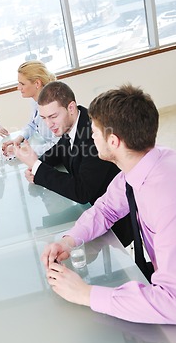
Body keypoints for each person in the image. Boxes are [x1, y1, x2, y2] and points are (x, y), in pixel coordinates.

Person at [41, 84, 176, 324]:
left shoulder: (166, 201)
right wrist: (69, 240)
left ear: (113, 141)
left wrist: (86, 294)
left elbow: (171, 303)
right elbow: (106, 209)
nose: (90, 136)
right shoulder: (139, 166)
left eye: (94, 131)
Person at [14, 81, 133, 246]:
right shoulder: (74, 120)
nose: (49, 124)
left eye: (53, 116)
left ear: (71, 107)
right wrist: (37, 162)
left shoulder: (95, 134)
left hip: (114, 223)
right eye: (44, 118)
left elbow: (82, 191)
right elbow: (61, 149)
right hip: (89, 213)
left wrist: (37, 167)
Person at [2, 60, 59, 157]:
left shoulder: (53, 107)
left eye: (22, 84)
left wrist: (23, 150)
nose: (18, 88)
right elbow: (33, 123)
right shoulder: (35, 101)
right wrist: (19, 139)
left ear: (37, 83)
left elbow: (57, 147)